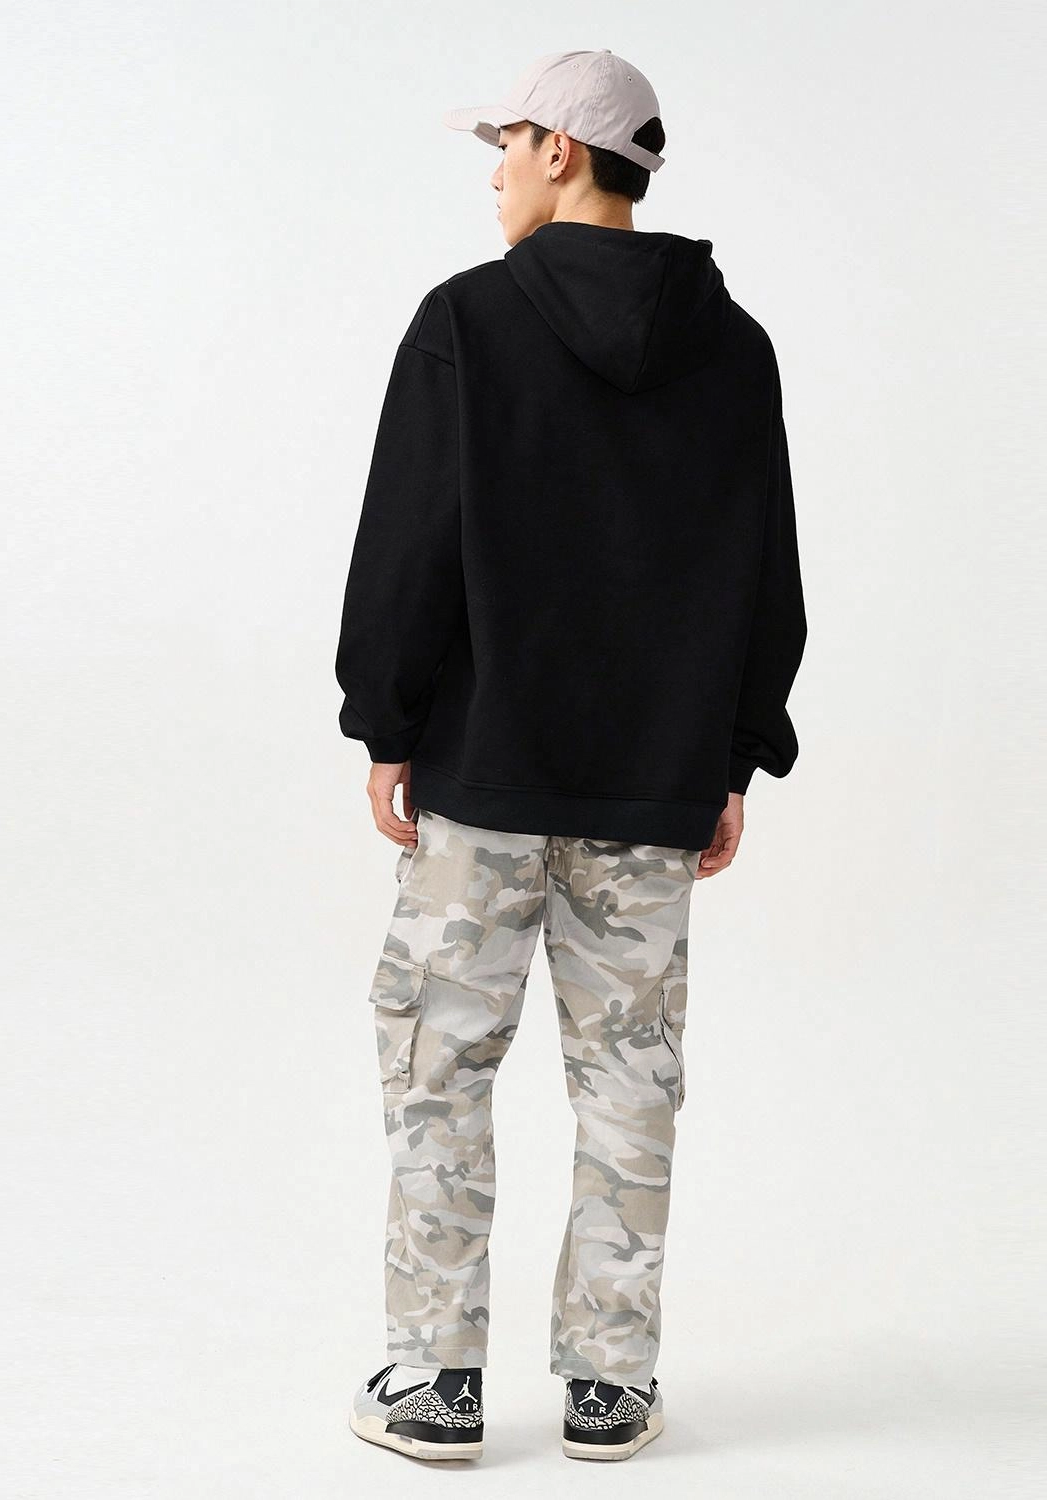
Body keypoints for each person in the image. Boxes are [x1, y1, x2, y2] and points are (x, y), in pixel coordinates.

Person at [335, 48, 806, 1464]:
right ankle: (610, 1384)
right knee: (630, 1082)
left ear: (559, 150)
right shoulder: (736, 347)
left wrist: (386, 721)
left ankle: (436, 1382)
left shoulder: (467, 323)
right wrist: (733, 755)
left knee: (439, 1066)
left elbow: (408, 539)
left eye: (508, 143)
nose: (494, 172)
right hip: (653, 785)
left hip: (483, 778)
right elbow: (765, 571)